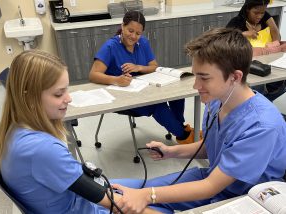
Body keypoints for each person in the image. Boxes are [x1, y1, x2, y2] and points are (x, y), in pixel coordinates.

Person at [110, 28, 286, 214]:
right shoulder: (217, 101)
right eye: (196, 75)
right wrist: (171, 151)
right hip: (215, 179)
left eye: (204, 78)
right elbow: (212, 145)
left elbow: (211, 187)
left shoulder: (261, 126)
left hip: (246, 199)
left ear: (235, 77)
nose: (196, 86)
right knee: (120, 189)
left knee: (134, 203)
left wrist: (148, 195)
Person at [0, 50, 160, 214]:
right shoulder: (43, 149)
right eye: (59, 93)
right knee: (156, 196)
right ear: (29, 97)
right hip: (84, 206)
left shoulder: (14, 129)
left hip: (73, 198)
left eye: (66, 90)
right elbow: (116, 205)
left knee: (156, 190)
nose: (69, 98)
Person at [89, 10, 198, 144]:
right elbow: (93, 75)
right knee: (159, 106)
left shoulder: (143, 43)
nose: (133, 36)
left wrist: (138, 67)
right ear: (122, 26)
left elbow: (154, 66)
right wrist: (116, 80)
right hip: (123, 96)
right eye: (130, 30)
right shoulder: (110, 47)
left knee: (176, 96)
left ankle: (181, 128)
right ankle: (185, 136)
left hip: (144, 89)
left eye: (138, 33)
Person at [226, 0, 286, 102]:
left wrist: (275, 43)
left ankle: (264, 103)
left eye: (262, 12)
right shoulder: (236, 22)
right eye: (256, 13)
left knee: (281, 82)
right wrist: (244, 34)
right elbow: (224, 39)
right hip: (249, 65)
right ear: (247, 9)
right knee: (258, 87)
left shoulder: (265, 17)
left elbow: (276, 33)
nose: (259, 16)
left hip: (270, 61)